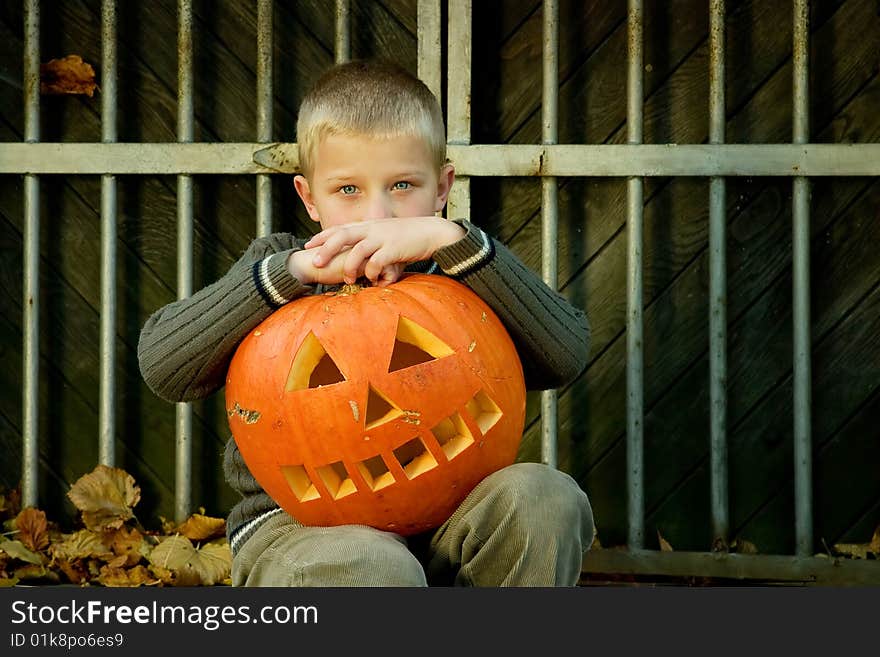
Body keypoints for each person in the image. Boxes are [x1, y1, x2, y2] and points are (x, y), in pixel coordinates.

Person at [138, 58, 595, 586]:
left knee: (545, 498)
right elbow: (163, 367)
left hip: (451, 520)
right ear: (309, 198)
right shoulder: (279, 269)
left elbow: (566, 355)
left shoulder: (464, 267)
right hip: (302, 532)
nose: (377, 214)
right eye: (348, 190)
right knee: (374, 564)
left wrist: (455, 242)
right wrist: (290, 274)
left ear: (442, 188)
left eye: (402, 185)